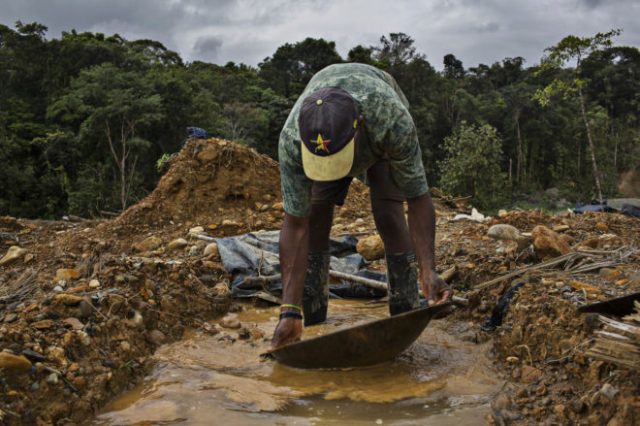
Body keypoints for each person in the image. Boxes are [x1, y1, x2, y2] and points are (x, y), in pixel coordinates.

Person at [271, 63, 451, 349]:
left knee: (388, 212)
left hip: (378, 142)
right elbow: (295, 224)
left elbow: (417, 198)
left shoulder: (390, 119)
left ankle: (404, 310)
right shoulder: (293, 139)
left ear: (360, 127)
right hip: (332, 136)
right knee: (316, 212)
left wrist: (428, 271)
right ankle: (310, 316)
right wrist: (288, 310)